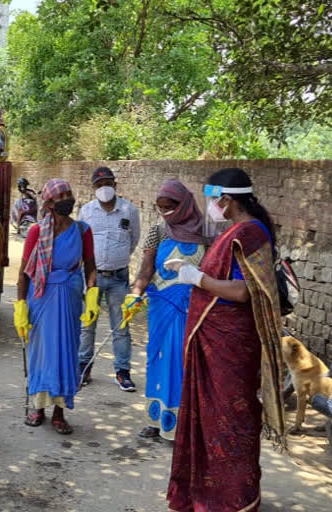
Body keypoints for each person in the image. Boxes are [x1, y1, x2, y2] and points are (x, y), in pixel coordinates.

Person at [166, 168, 286, 512]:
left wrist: (197, 278)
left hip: (232, 346)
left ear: (227, 200)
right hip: (214, 343)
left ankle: (234, 499)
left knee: (231, 419)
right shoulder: (234, 231)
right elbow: (225, 273)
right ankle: (203, 493)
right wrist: (187, 270)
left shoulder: (251, 234)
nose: (210, 206)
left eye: (212, 199)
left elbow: (242, 291)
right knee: (207, 417)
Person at [121, 180, 206, 440]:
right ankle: (155, 420)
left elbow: (215, 271)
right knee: (157, 359)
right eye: (160, 208)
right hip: (161, 306)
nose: (165, 213)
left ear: (184, 205)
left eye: (169, 207)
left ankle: (183, 426)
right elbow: (147, 268)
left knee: (186, 363)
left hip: (192, 308)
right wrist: (135, 294)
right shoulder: (158, 231)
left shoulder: (206, 232)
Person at [14, 178, 99, 435]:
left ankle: (60, 412)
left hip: (71, 296)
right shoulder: (36, 232)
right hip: (41, 297)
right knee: (41, 353)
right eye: (62, 196)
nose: (68, 200)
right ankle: (38, 407)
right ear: (49, 203)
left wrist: (93, 295)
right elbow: (23, 274)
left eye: (69, 195)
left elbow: (91, 267)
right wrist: (20, 307)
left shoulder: (83, 230)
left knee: (66, 351)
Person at [78, 166, 141, 391]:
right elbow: (82, 244)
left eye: (108, 183)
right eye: (99, 184)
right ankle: (83, 367)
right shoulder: (86, 212)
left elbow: (134, 240)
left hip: (119, 278)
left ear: (115, 185)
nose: (104, 188)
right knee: (87, 324)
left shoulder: (129, 210)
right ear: (93, 187)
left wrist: (118, 259)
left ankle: (122, 372)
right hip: (92, 277)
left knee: (121, 326)